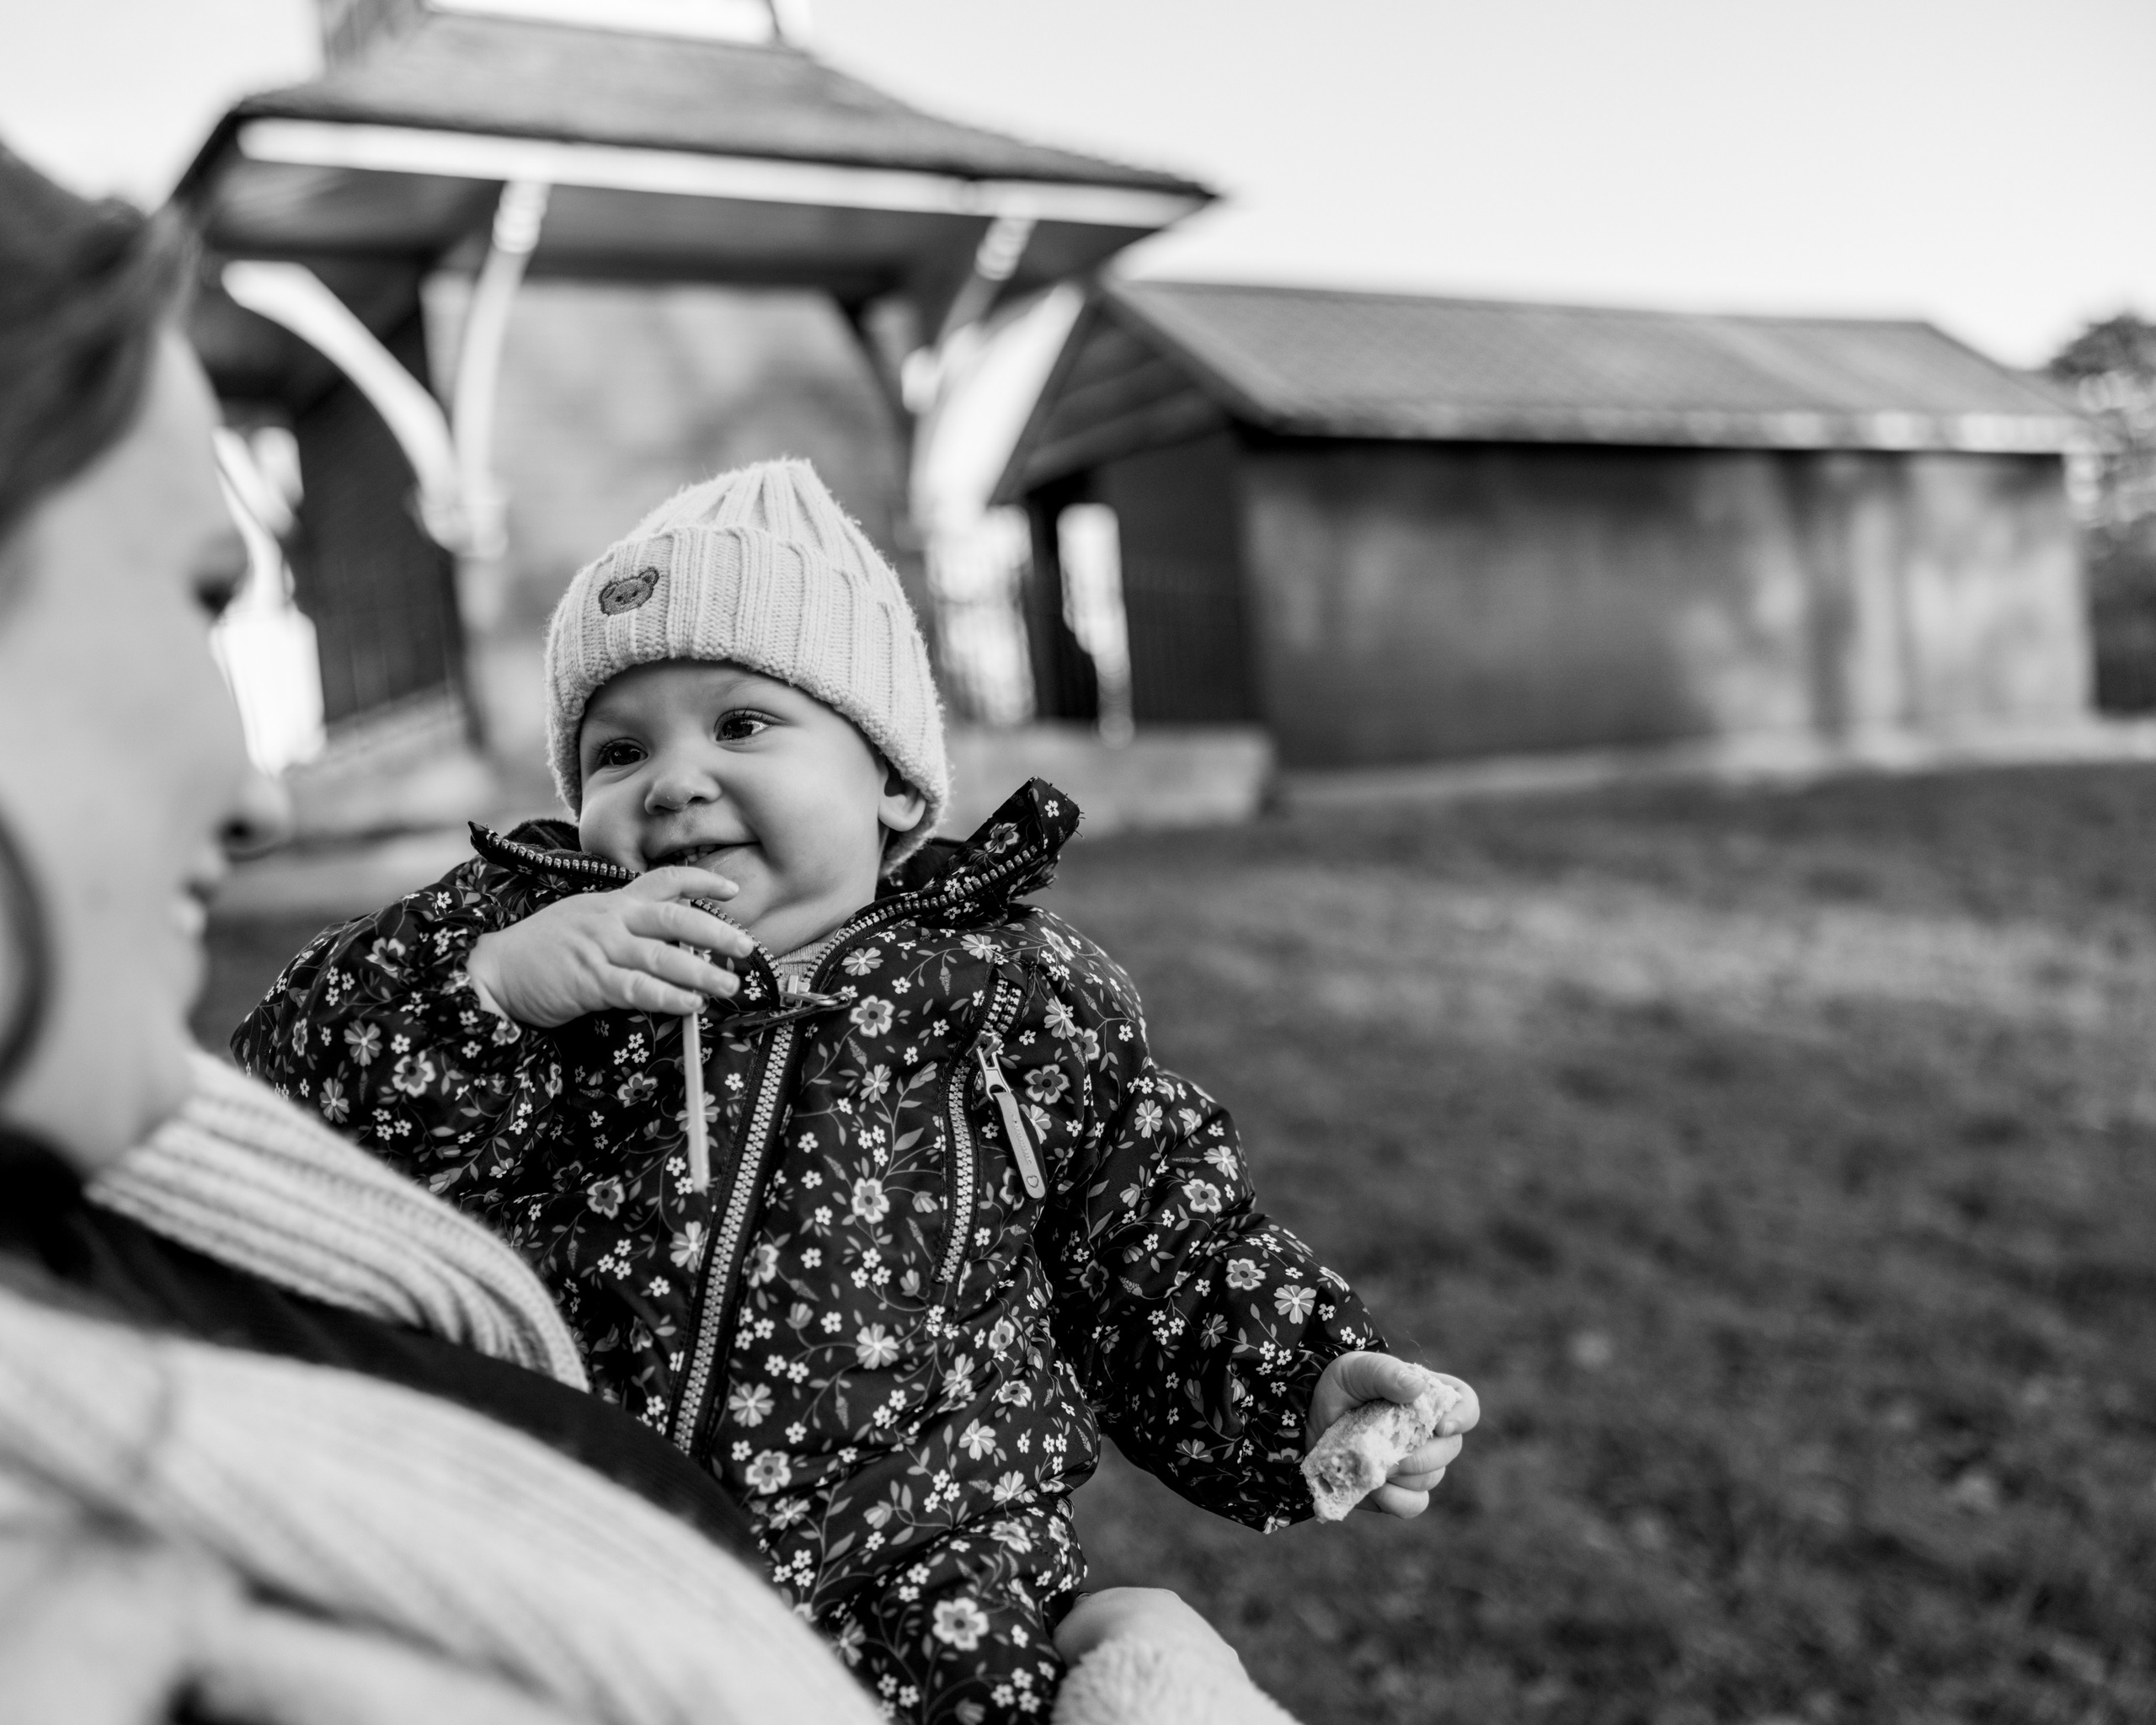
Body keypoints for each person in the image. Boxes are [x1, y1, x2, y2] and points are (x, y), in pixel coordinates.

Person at [233, 459, 1482, 1725]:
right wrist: (488, 990)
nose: (672, 781)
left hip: (920, 1572)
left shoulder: (1014, 995)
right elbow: (277, 1116)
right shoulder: (535, 953)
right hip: (571, 1557)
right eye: (618, 752)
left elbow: (1156, 1243)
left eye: (741, 725)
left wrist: (1302, 1378)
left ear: (891, 778)